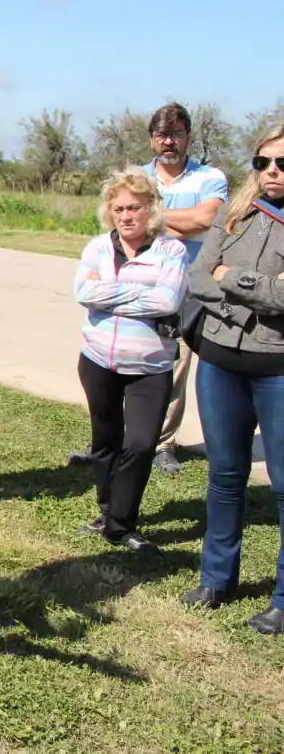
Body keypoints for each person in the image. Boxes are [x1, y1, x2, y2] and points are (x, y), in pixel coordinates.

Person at [69, 103, 228, 474]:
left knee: (172, 363)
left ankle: (163, 442)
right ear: (152, 139)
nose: (168, 142)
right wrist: (155, 219)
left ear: (188, 137)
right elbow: (121, 219)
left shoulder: (209, 177)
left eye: (175, 134)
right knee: (116, 359)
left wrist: (147, 219)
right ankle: (109, 441)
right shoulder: (137, 175)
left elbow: (206, 220)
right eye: (161, 135)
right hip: (130, 281)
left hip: (186, 287)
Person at [180, 125, 284, 635]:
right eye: (262, 162)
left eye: (282, 164)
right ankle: (216, 579)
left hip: (277, 371)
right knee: (224, 476)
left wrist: (233, 279)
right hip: (220, 362)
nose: (271, 173)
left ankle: (283, 600)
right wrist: (256, 294)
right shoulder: (236, 212)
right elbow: (201, 275)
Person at [73, 168, 188, 552]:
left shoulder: (171, 250)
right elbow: (83, 291)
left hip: (149, 367)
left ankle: (120, 523)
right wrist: (139, 293)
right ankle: (110, 516)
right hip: (98, 360)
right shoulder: (96, 248)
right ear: (110, 211)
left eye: (135, 207)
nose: (126, 216)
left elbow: (168, 301)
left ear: (150, 209)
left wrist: (111, 294)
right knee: (105, 439)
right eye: (119, 208)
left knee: (139, 444)